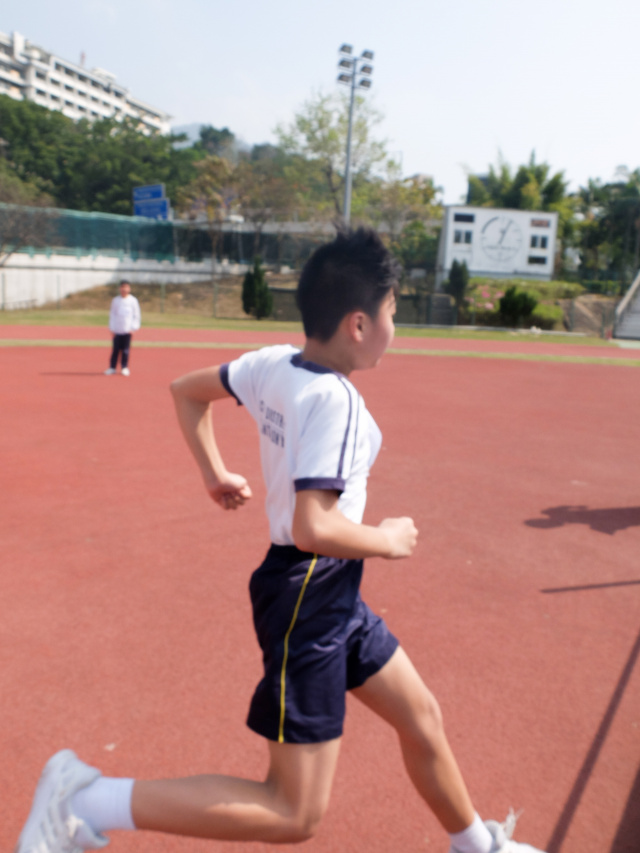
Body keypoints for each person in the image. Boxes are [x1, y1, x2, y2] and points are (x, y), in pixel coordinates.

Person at [16, 228, 546, 853]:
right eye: (392, 312)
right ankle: (81, 801)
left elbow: (186, 392)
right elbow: (313, 526)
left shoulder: (274, 362)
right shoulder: (337, 400)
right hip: (309, 594)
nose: (394, 326)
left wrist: (215, 473)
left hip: (328, 593)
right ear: (358, 324)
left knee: (420, 714)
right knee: (293, 812)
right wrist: (386, 538)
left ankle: (479, 846)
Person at [104, 280, 141, 377]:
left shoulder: (133, 300)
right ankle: (112, 367)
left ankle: (124, 367)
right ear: (119, 288)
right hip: (117, 329)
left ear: (129, 289)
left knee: (125, 350)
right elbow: (113, 315)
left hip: (127, 329)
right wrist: (112, 328)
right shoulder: (116, 300)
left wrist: (133, 328)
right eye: (122, 287)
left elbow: (136, 315)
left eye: (126, 287)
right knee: (115, 349)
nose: (124, 289)